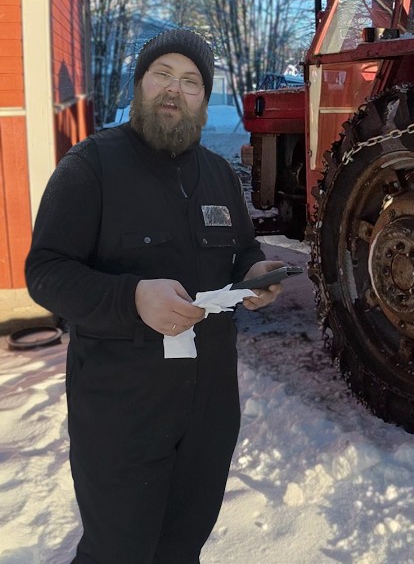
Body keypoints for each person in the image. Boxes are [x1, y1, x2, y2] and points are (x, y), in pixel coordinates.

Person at [25, 28, 286, 563]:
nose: (175, 89)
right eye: (162, 75)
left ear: (203, 100)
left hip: (208, 409)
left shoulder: (218, 174)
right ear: (140, 85)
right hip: (122, 412)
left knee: (181, 546)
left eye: (191, 81)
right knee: (117, 551)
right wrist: (133, 298)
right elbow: (46, 272)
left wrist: (254, 270)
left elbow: (240, 249)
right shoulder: (91, 167)